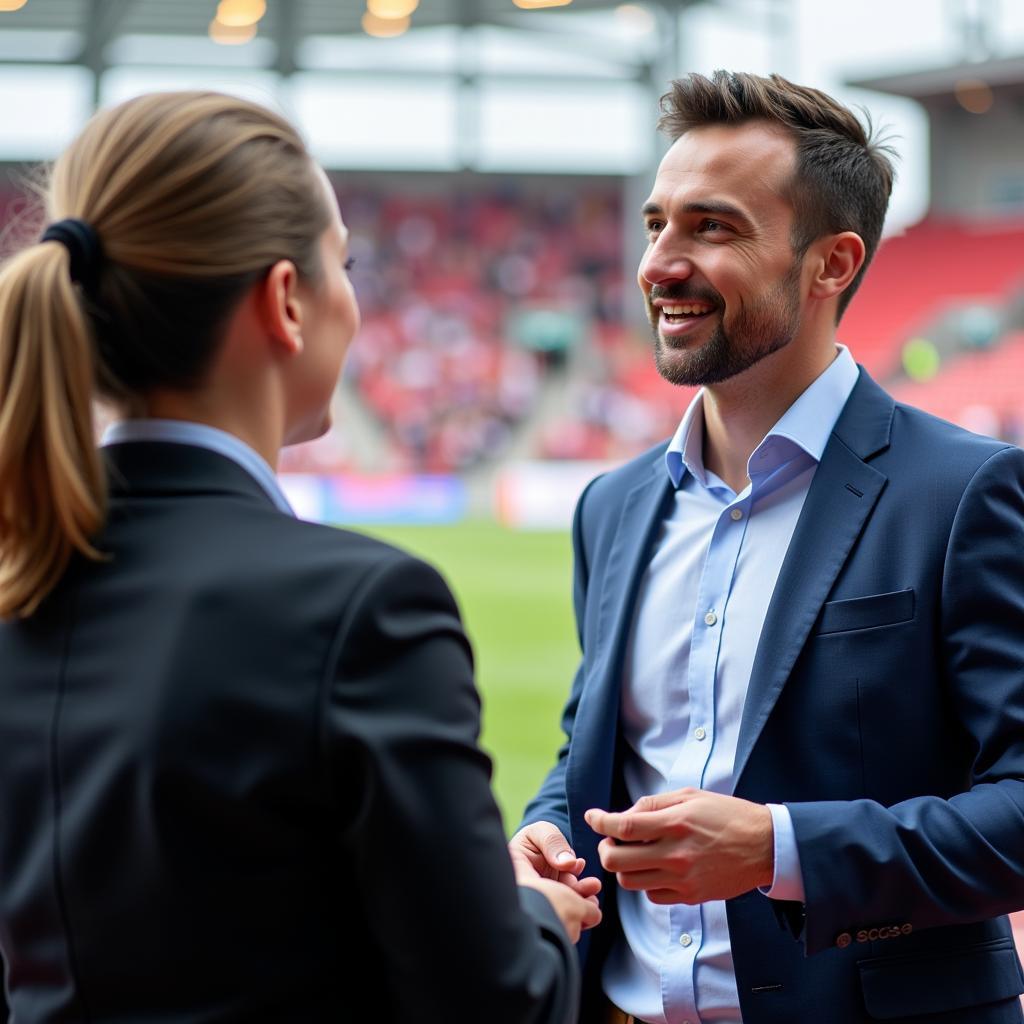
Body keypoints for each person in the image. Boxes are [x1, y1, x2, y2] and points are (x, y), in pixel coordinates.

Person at [0, 90, 601, 1023]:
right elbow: (493, 1004)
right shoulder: (361, 608)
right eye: (344, 265)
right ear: (286, 300)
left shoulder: (18, 583)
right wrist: (533, 914)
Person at [510, 70, 1024, 1024]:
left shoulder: (964, 493)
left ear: (831, 263)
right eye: (657, 223)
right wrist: (547, 831)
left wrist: (782, 849)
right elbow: (608, 754)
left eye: (712, 228)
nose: (660, 263)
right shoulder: (612, 507)